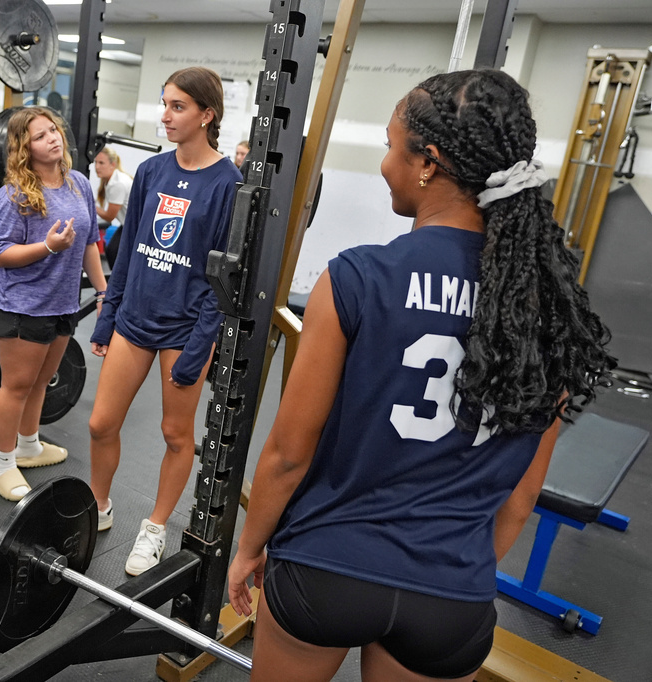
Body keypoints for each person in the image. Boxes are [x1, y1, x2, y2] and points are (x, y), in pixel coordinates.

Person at [226, 69, 615, 682]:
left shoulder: (357, 277)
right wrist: (448, 574)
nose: (384, 162)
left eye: (389, 145)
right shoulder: (549, 308)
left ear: (428, 161)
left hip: (328, 569)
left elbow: (286, 456)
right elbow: (521, 496)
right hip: (451, 593)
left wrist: (248, 549)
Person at [88, 67, 243, 576]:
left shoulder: (228, 184)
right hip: (135, 317)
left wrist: (200, 350)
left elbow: (222, 280)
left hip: (185, 329)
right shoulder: (153, 171)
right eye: (165, 104)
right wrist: (106, 320)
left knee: (176, 435)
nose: (166, 115)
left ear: (206, 114)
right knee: (100, 422)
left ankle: (154, 528)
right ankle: (99, 507)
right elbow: (130, 249)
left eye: (178, 106)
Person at [0, 106, 107, 501]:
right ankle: (3, 464)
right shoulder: (15, 194)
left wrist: (103, 291)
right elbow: (0, 254)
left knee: (41, 381)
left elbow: (89, 242)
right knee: (16, 386)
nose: (52, 138)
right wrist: (47, 247)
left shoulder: (79, 185)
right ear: (25, 147)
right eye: (40, 136)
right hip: (23, 305)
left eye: (53, 130)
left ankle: (29, 445)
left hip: (62, 303)